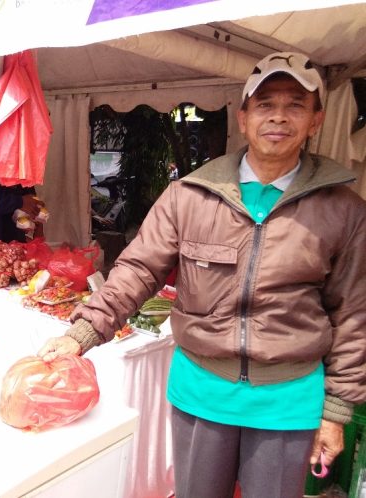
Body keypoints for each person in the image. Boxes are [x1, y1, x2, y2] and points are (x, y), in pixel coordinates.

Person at [38, 51, 366, 498]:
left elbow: (354, 314)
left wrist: (336, 411)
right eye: (266, 105)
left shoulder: (344, 210)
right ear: (244, 116)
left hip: (289, 401)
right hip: (201, 391)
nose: (279, 117)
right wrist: (82, 333)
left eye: (295, 105)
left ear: (316, 121)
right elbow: (138, 269)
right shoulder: (189, 196)